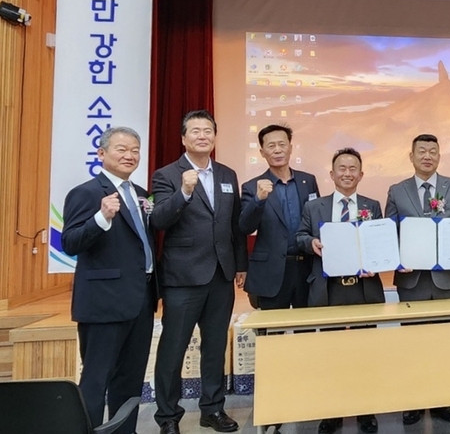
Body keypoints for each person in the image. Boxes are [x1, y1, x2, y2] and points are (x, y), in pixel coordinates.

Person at [150, 110, 247, 434]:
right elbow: (159, 220)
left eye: (208, 130)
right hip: (183, 278)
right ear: (183, 138)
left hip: (221, 275)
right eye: (195, 131)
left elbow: (233, 226)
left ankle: (213, 409)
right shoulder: (167, 175)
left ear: (215, 137)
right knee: (173, 349)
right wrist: (184, 193)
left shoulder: (226, 174)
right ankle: (167, 417)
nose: (202, 135)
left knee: (215, 346)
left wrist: (240, 265)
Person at [61, 127, 157, 434]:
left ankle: (124, 431)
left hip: (140, 301)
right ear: (101, 154)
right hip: (103, 303)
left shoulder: (141, 195)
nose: (129, 156)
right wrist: (101, 218)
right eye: (121, 149)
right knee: (96, 379)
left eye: (135, 150)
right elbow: (71, 242)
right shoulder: (86, 193)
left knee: (130, 380)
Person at [297, 147, 385, 434]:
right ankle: (331, 410)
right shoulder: (314, 207)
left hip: (363, 289)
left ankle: (365, 410)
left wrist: (376, 260)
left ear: (361, 174)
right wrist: (311, 243)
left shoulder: (372, 205)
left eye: (353, 169)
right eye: (342, 168)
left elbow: (378, 240)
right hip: (328, 289)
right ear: (331, 173)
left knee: (366, 351)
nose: (347, 173)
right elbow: (300, 236)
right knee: (329, 352)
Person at [385, 134, 450, 426]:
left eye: (433, 151)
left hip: (448, 281)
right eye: (421, 151)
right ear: (411, 156)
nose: (427, 156)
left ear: (439, 157)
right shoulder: (397, 190)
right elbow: (389, 233)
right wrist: (396, 258)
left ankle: (444, 401)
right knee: (413, 343)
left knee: (447, 343)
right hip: (413, 282)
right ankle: (415, 401)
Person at [240, 124, 320, 310]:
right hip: (271, 272)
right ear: (262, 152)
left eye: (282, 144)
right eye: (271, 146)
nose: (277, 150)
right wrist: (258, 200)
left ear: (290, 148)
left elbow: (316, 218)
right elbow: (245, 227)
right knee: (272, 334)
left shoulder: (308, 181)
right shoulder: (252, 187)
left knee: (306, 331)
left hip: (305, 268)